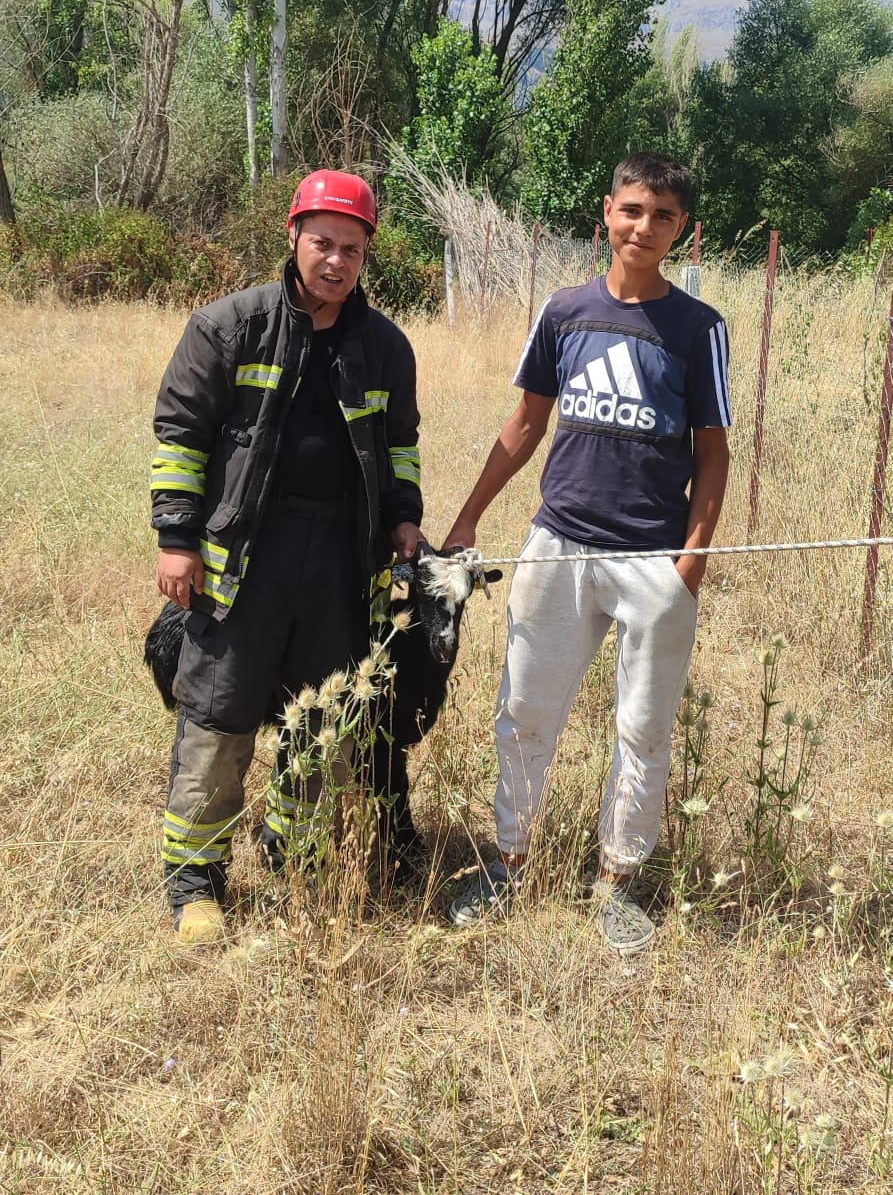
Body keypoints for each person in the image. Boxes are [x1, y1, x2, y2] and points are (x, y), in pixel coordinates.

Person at [444, 153, 731, 951]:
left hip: (652, 561)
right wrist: (469, 516)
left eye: (664, 215)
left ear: (683, 229)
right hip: (558, 545)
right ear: (606, 211)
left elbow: (712, 453)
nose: (645, 226)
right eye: (633, 209)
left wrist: (691, 561)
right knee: (526, 714)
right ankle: (508, 862)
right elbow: (524, 425)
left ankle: (615, 882)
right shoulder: (564, 311)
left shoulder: (698, 329)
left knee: (642, 727)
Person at [151, 170, 423, 945]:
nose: (335, 261)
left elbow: (399, 446)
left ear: (367, 254)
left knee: (324, 715)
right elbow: (181, 437)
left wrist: (404, 521)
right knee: (218, 714)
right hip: (244, 557)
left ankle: (292, 850)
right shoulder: (227, 327)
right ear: (293, 236)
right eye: (322, 243)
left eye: (352, 248)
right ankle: (196, 883)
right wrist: (176, 539)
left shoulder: (385, 347)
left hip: (343, 557)